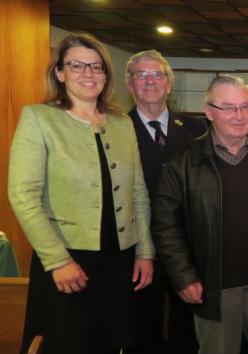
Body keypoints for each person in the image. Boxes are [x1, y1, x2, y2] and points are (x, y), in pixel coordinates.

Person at [8, 33, 153, 354]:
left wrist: (145, 251)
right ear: (59, 73)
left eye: (97, 67)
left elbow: (139, 193)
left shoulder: (121, 123)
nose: (88, 74)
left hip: (119, 260)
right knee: (68, 343)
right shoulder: (39, 118)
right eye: (77, 66)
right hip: (68, 259)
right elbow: (23, 195)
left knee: (115, 342)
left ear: (106, 75)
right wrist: (57, 260)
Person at [151, 75, 248, 354]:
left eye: (246, 106)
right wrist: (183, 275)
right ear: (208, 112)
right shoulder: (184, 162)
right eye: (229, 107)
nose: (240, 115)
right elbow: (165, 225)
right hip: (213, 287)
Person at [124, 49, 206, 354]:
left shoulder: (197, 129)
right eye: (140, 75)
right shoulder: (115, 128)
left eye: (157, 74)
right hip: (136, 246)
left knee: (190, 326)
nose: (150, 81)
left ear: (169, 84)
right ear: (130, 85)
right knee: (142, 326)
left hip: (189, 244)